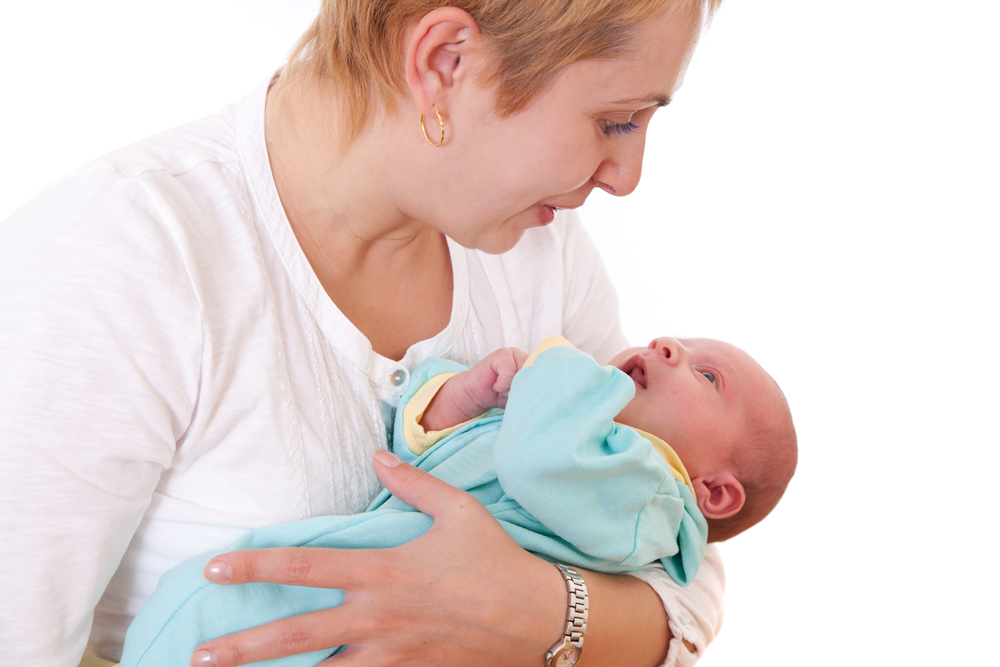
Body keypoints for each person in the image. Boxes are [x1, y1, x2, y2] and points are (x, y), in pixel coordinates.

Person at [0, 1, 730, 666]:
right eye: (616, 120)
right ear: (446, 60)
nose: (627, 175)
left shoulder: (540, 253)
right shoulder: (125, 257)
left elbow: (683, 545)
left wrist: (534, 610)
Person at [120, 335, 796, 667]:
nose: (665, 344)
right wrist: (459, 400)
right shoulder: (582, 429)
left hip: (393, 613)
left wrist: (555, 366)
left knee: (219, 615)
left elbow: (537, 463)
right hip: (365, 582)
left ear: (713, 489)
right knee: (203, 608)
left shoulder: (649, 494)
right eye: (673, 341)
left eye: (707, 375)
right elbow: (430, 456)